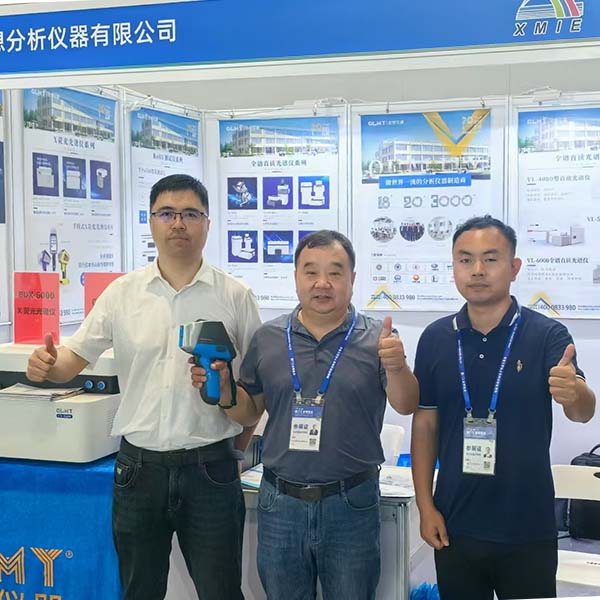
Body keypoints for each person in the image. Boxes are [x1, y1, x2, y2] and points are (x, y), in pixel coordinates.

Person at [26, 174, 261, 600]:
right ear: (151, 221)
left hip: (210, 469)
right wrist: (47, 365)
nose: (178, 223)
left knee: (222, 590)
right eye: (167, 213)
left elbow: (253, 401)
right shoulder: (122, 294)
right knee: (139, 590)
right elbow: (71, 362)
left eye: (190, 214)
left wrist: (233, 433)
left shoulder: (236, 296)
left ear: (208, 223)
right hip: (139, 471)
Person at [192, 230, 419, 600]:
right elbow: (250, 412)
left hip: (351, 502)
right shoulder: (268, 337)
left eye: (335, 272)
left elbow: (406, 404)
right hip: (281, 502)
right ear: (296, 277)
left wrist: (396, 366)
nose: (322, 283)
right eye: (311, 272)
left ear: (352, 278)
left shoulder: (376, 338)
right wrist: (226, 391)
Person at [411, 215, 596, 600]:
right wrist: (426, 507)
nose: (477, 270)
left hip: (527, 524)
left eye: (491, 259)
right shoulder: (435, 338)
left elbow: (582, 412)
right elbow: (425, 425)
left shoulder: (546, 334)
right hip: (455, 521)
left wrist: (574, 393)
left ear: (514, 268)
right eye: (465, 259)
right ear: (454, 267)